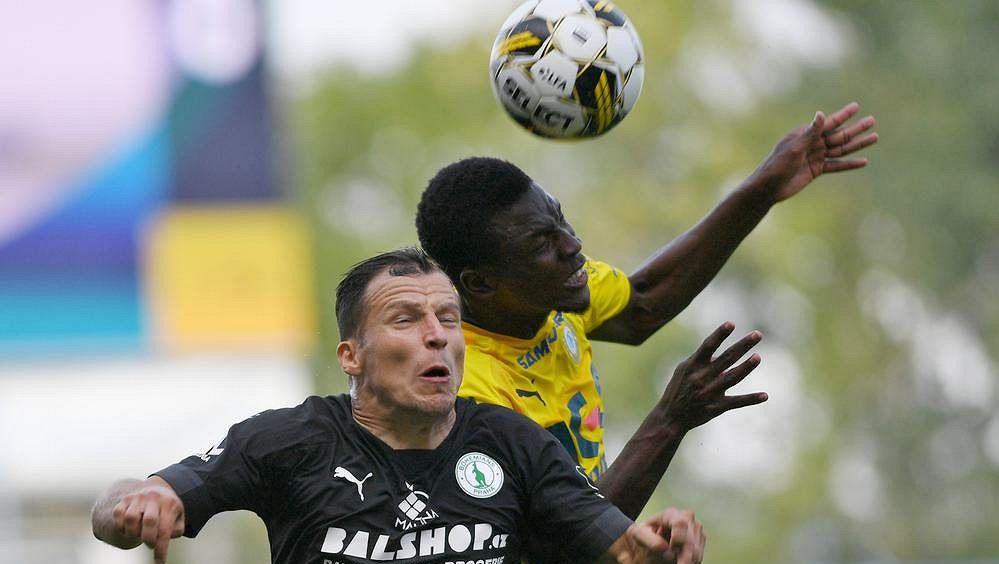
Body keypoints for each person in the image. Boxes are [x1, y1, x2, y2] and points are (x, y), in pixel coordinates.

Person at [91, 248, 706, 564]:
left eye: (448, 319)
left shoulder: (512, 442)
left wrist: (660, 544)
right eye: (406, 319)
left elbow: (619, 548)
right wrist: (134, 503)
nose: (436, 336)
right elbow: (121, 506)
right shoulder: (290, 439)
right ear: (351, 356)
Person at [415, 102, 879, 518]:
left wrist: (764, 188)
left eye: (560, 220)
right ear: (481, 283)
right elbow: (556, 546)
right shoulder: (465, 395)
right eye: (542, 243)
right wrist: (670, 420)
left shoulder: (557, 293)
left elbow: (643, 304)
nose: (573, 246)